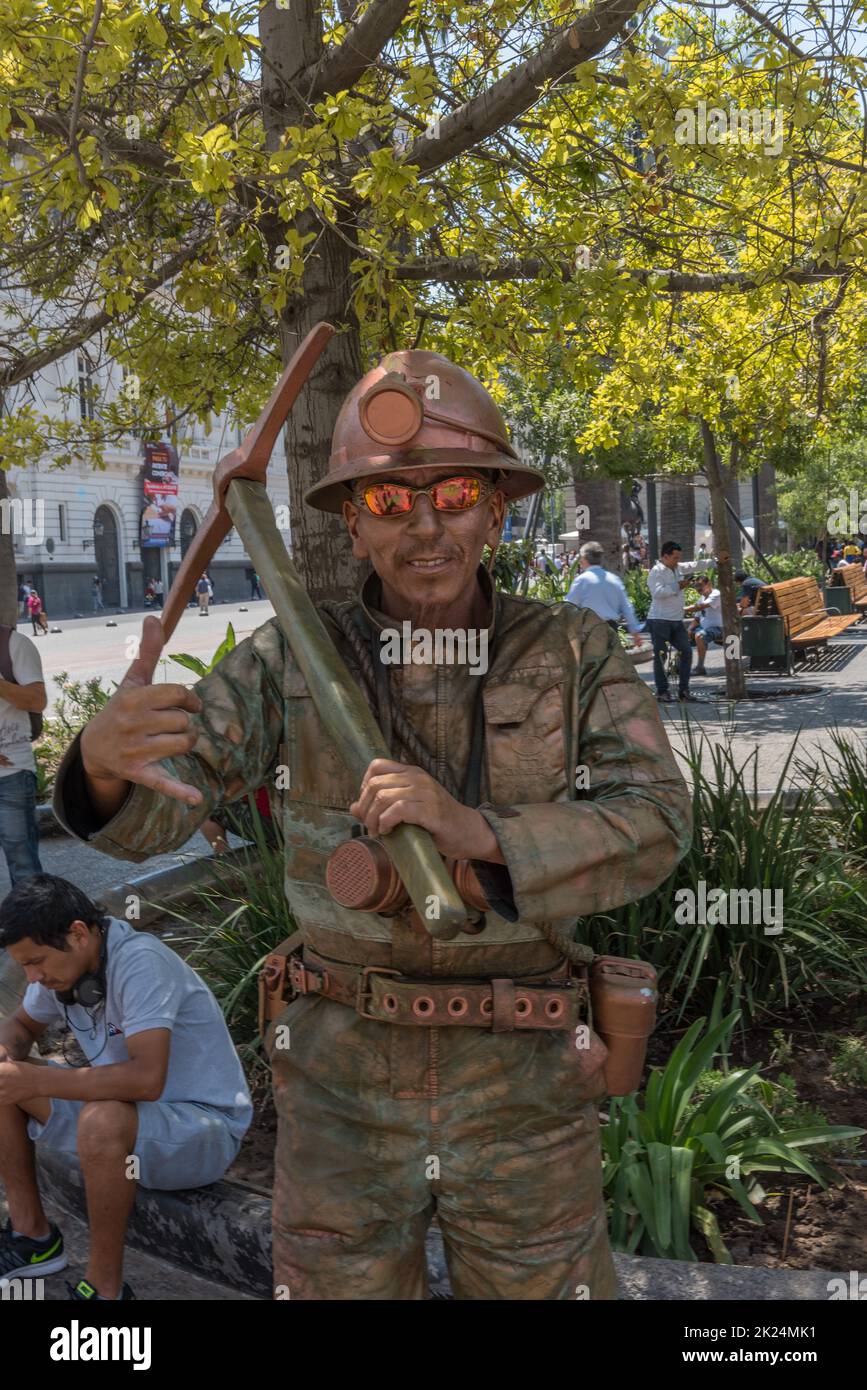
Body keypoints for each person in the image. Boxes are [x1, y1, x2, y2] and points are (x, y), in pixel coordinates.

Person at [52, 349, 692, 1302]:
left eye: (456, 492)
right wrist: (102, 769)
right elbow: (155, 816)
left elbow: (656, 822)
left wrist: (480, 834)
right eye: (389, 502)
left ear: (497, 509)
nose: (425, 524)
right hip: (339, 1087)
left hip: (525, 1084)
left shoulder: (572, 650)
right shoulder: (286, 661)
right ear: (353, 525)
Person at [0, 875, 252, 1301]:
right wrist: (5, 1054)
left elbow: (145, 1080)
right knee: (6, 1083)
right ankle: (34, 1240)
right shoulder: (63, 971)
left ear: (78, 933)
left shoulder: (140, 963)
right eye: (24, 965)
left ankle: (104, 1291)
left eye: (37, 961)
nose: (34, 976)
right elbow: (22, 1025)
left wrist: (38, 1078)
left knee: (101, 1118)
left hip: (201, 1130)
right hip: (134, 1127)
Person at [0, 622, 46, 883]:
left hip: (11, 773)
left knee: (22, 861)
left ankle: (31, 923)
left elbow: (37, 700)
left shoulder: (14, 645)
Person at [647, 540, 701, 703]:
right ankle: (662, 691)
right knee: (660, 657)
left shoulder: (678, 568)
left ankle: (683, 691)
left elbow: (694, 565)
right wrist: (677, 586)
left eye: (679, 557)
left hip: (677, 620)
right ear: (665, 556)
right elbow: (657, 593)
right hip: (659, 620)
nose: (678, 561)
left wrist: (716, 560)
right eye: (675, 558)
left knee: (687, 652)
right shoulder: (656, 571)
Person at [564, 541, 644, 648]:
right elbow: (627, 608)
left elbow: (569, 607)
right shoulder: (614, 579)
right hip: (611, 631)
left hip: (589, 632)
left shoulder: (581, 580)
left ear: (584, 559)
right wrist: (635, 633)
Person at [686, 575, 724, 676]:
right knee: (681, 636)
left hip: (720, 628)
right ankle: (681, 666)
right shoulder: (701, 598)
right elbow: (697, 619)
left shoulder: (716, 594)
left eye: (700, 585)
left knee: (700, 636)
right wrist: (689, 629)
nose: (698, 589)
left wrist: (684, 609)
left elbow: (701, 606)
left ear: (709, 584)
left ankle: (700, 667)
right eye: (696, 586)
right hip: (705, 628)